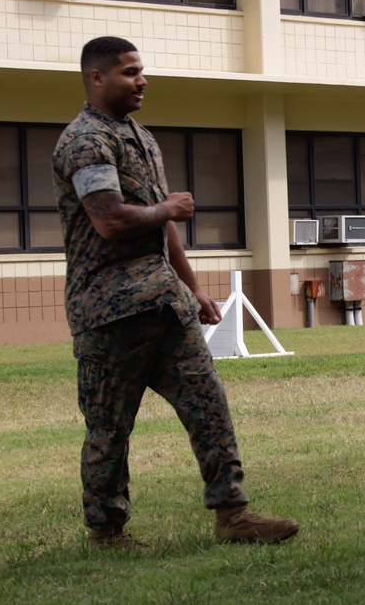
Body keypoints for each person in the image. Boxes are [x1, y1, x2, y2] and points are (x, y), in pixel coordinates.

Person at [52, 36, 299, 550]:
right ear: (97, 78)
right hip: (110, 313)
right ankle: (106, 532)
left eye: (141, 70)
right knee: (109, 428)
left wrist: (194, 289)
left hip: (165, 304)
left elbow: (164, 231)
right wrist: (167, 210)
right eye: (128, 72)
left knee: (209, 404)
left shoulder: (139, 137)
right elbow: (110, 220)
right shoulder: (85, 141)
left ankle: (233, 514)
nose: (141, 79)